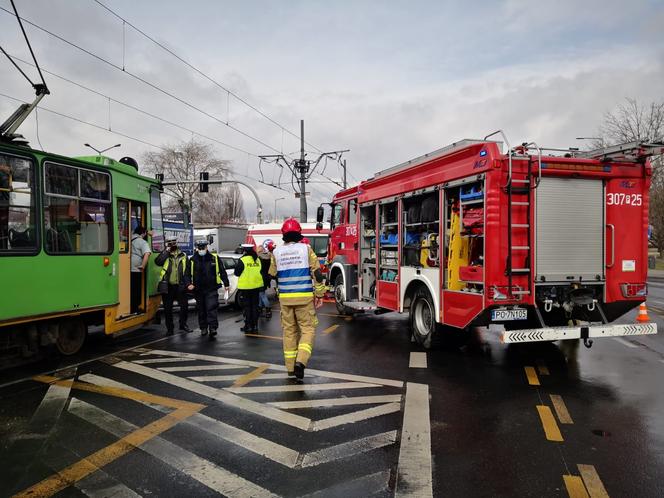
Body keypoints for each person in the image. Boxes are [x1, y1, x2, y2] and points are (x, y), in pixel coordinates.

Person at [269, 218, 326, 381]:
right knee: (308, 330)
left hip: (285, 299)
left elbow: (271, 274)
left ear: (283, 235)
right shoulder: (306, 249)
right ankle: (300, 362)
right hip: (304, 297)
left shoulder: (276, 252)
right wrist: (320, 295)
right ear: (299, 233)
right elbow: (317, 274)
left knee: (289, 332)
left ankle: (289, 368)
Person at [185, 239, 229, 340]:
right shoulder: (192, 260)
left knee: (211, 308)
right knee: (202, 310)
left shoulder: (214, 258)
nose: (201, 249)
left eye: (203, 247)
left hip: (211, 288)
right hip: (198, 289)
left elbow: (222, 271)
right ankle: (203, 327)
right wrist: (188, 284)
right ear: (197, 248)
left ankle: (213, 328)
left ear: (206, 247)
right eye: (199, 247)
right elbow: (187, 274)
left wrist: (226, 283)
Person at [155, 236, 192, 335]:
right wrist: (167, 251)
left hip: (180, 285)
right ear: (167, 244)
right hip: (168, 286)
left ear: (177, 243)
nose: (173, 245)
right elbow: (158, 262)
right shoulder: (165, 255)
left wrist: (187, 284)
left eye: (174, 243)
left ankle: (183, 324)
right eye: (170, 243)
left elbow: (187, 271)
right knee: (167, 309)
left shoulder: (183, 255)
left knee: (184, 306)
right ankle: (170, 329)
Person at [234, 243, 264, 333]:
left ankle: (248, 325)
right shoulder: (257, 259)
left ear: (244, 250)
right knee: (255, 307)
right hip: (256, 286)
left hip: (246, 287)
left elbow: (237, 273)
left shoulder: (242, 260)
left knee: (247, 307)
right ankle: (255, 326)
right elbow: (261, 271)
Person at [130, 225, 152, 313]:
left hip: (127, 267)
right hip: (136, 268)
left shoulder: (129, 239)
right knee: (136, 289)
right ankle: (135, 309)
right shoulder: (142, 242)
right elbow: (147, 254)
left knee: (130, 288)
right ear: (143, 234)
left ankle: (129, 307)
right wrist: (143, 265)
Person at [256, 244, 273, 319]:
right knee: (261, 293)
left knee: (262, 294)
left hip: (260, 278)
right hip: (267, 277)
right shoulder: (269, 256)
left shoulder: (258, 258)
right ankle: (259, 309)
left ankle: (268, 309)